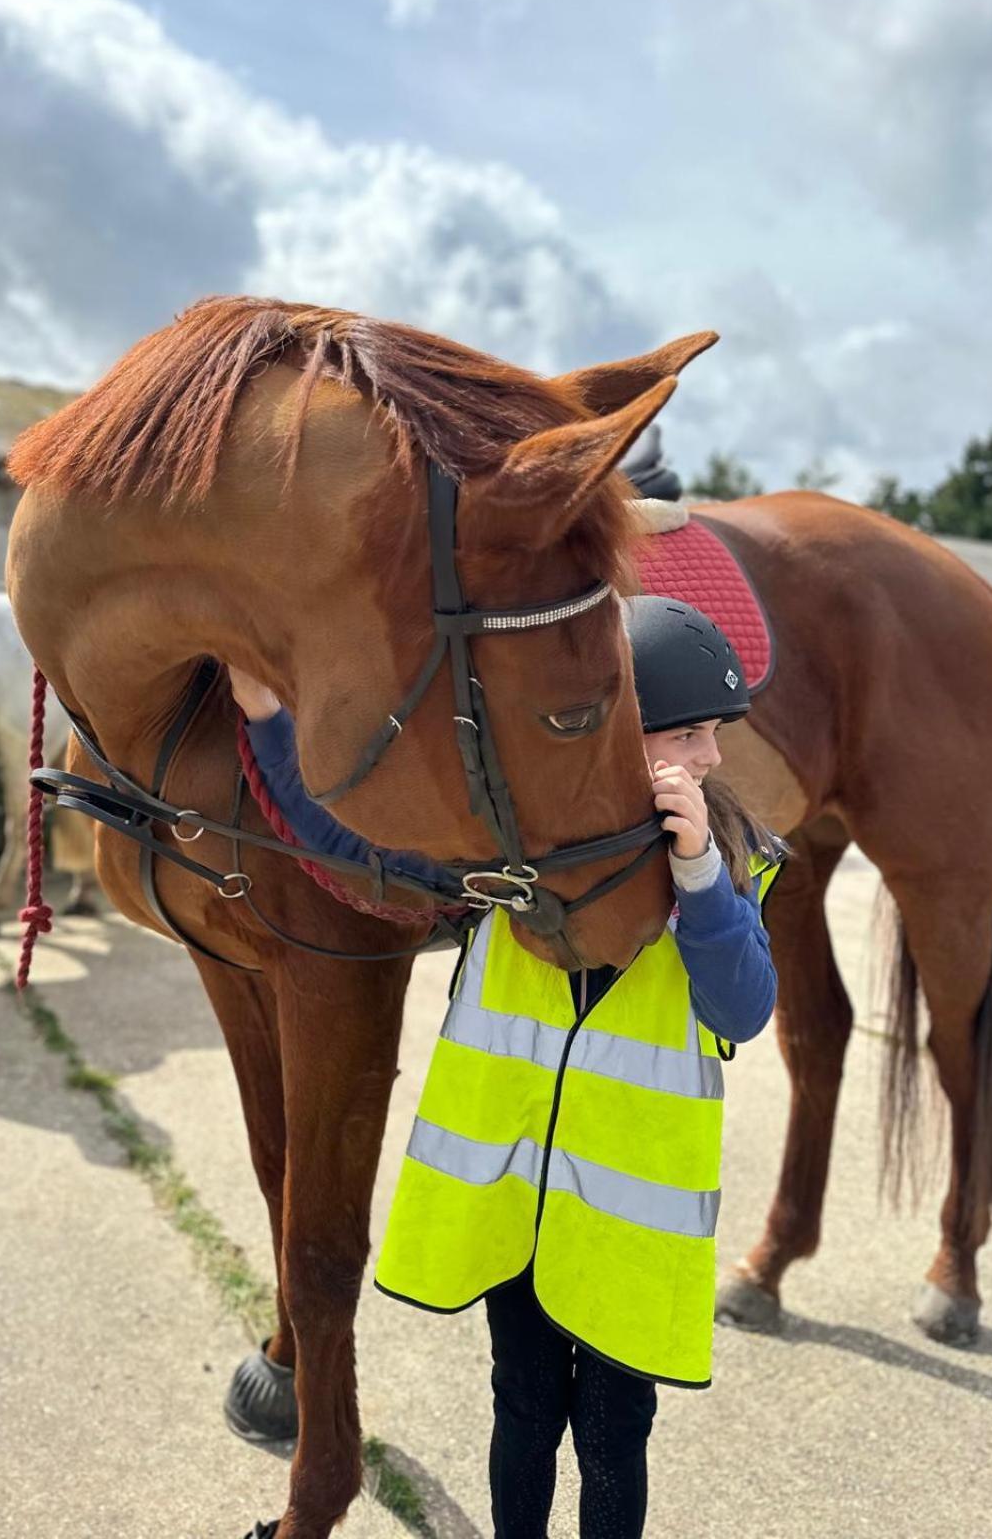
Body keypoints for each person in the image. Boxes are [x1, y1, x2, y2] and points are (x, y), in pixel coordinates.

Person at [229, 595, 783, 1537]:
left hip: (624, 1234)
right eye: (688, 733)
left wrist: (696, 876)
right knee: (520, 1412)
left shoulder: (729, 860)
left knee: (615, 1438)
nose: (714, 757)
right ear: (619, 734)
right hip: (514, 1214)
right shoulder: (504, 854)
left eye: (716, 733)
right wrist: (269, 723)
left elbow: (742, 1007)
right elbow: (354, 850)